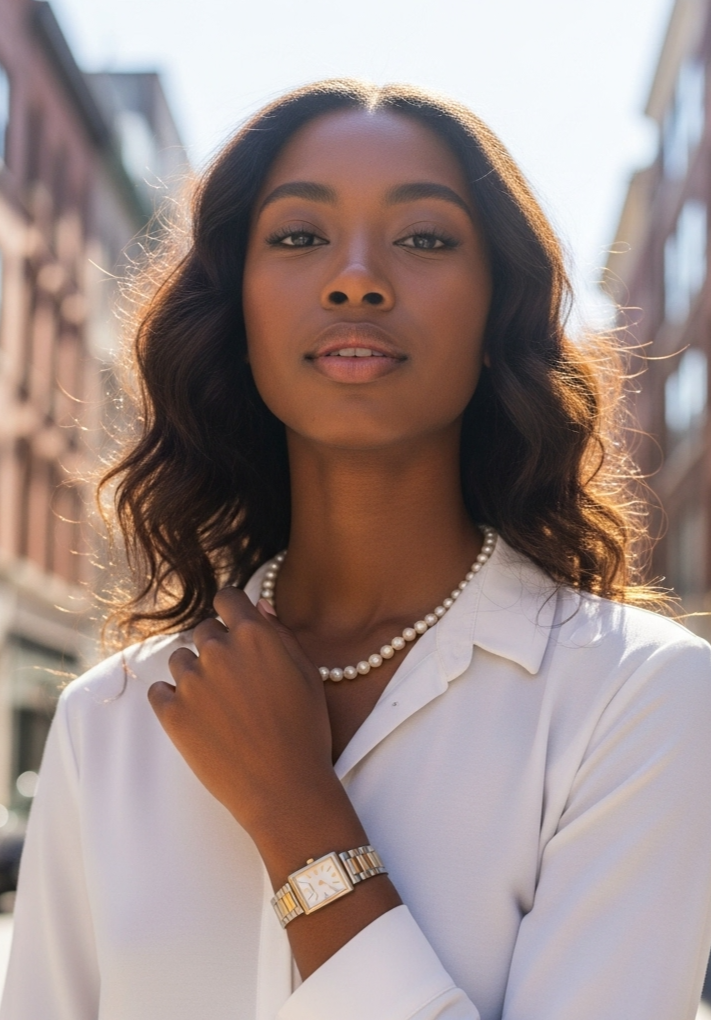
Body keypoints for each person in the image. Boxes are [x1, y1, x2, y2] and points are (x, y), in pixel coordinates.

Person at [2, 79, 711, 1020]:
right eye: (299, 236)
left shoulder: (637, 696)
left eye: (425, 239)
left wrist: (296, 813)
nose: (356, 279)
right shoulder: (112, 718)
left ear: (496, 317)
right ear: (239, 317)